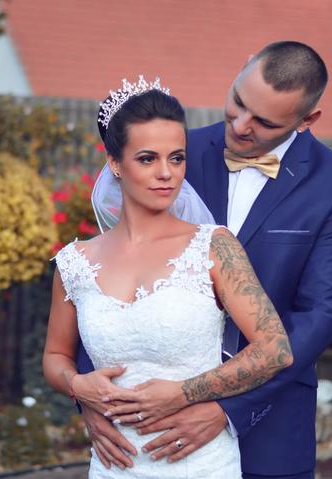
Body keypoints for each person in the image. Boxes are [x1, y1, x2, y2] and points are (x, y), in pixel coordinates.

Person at [77, 41, 332, 479]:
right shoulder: (171, 153)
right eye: (238, 102)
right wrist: (90, 396)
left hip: (270, 430)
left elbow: (318, 314)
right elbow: (104, 275)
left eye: (264, 121)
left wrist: (225, 408)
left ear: (307, 120)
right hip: (139, 432)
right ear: (242, 68)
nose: (241, 124)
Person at [43, 78, 294, 478]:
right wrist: (78, 386)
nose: (166, 173)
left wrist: (183, 392)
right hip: (113, 467)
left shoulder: (214, 247)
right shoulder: (75, 263)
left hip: (199, 465)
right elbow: (55, 357)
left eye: (176, 158)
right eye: (147, 159)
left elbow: (275, 350)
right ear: (115, 163)